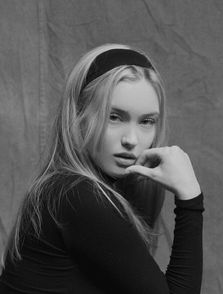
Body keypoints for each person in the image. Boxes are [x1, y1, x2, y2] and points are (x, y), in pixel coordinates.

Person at [0, 43, 204, 293]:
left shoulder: (75, 188)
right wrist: (191, 198)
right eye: (114, 116)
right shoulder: (77, 196)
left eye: (146, 121)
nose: (131, 139)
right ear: (78, 116)